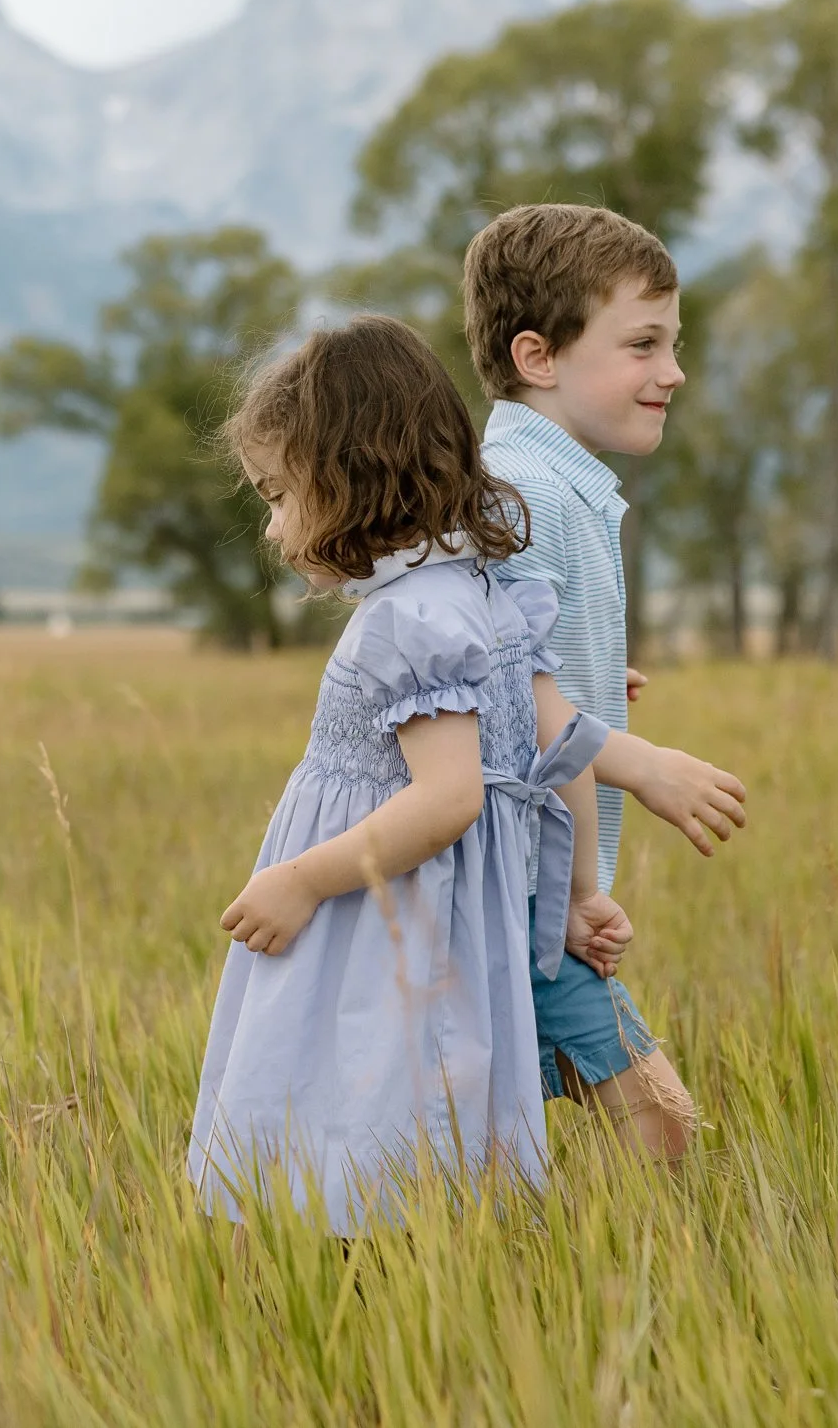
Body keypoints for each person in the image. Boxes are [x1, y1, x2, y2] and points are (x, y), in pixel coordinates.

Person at [187, 315, 618, 1235]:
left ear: (346, 478)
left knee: (364, 1082)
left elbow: (451, 797)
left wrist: (300, 879)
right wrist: (578, 891)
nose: (271, 526)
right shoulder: (485, 594)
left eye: (276, 494)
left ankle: (358, 1263)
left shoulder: (409, 621)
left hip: (383, 919)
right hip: (440, 914)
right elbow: (560, 756)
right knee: (413, 1089)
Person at [466, 201, 750, 1163]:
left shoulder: (553, 485)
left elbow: (525, 675)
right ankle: (648, 1293)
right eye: (643, 343)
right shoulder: (522, 493)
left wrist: (588, 680)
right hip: (513, 894)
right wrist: (645, 764)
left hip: (533, 895)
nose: (673, 371)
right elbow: (518, 703)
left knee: (479, 1139)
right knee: (661, 1128)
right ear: (539, 356)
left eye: (673, 342)